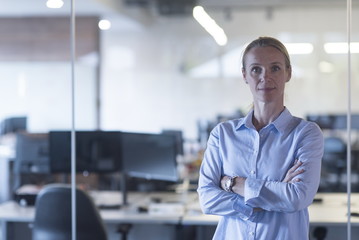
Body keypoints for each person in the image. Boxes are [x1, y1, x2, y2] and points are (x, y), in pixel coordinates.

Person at [197, 36, 324, 240]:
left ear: (288, 73)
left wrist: (233, 184)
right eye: (256, 69)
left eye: (275, 68)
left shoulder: (306, 133)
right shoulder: (223, 135)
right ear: (245, 75)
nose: (266, 77)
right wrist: (274, 193)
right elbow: (206, 200)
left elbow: (297, 198)